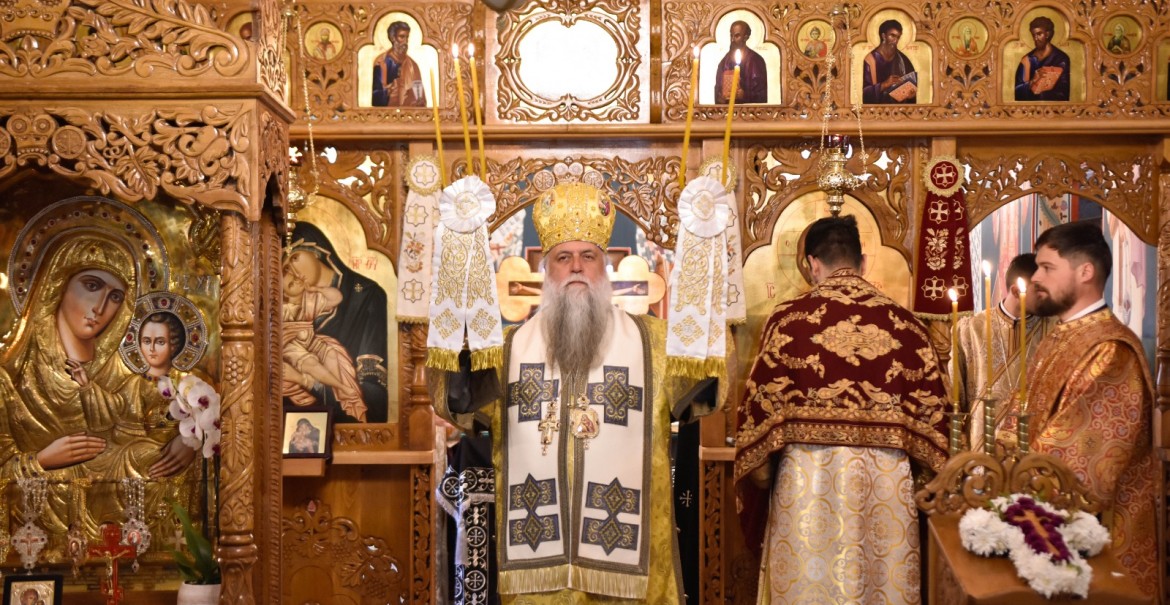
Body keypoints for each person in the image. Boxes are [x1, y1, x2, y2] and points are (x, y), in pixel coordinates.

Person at [429, 182, 718, 603]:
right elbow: (461, 404)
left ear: (605, 267)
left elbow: (706, 384)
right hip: (540, 570)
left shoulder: (654, 344)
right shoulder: (506, 350)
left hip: (630, 575)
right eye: (564, 258)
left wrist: (707, 273)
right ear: (547, 270)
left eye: (589, 256)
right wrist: (460, 334)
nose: (577, 267)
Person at [735, 215, 949, 605]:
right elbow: (936, 424)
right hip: (887, 487)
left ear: (812, 264)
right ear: (863, 261)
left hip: (807, 483)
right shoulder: (908, 326)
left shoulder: (787, 321)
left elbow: (757, 413)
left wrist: (763, 479)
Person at [0, 235, 196, 538]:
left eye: (115, 297)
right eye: (91, 286)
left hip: (135, 543)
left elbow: (169, 420)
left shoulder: (134, 372)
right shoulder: (11, 378)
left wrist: (192, 439)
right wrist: (40, 461)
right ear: (58, 284)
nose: (101, 307)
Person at [1001, 221, 1157, 596]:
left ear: (1085, 272)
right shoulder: (1061, 336)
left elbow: (1080, 460)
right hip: (1042, 524)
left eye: (1047, 267)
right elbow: (1019, 415)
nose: (1036, 278)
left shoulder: (1111, 350)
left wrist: (1006, 482)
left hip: (1095, 543)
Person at [284, 223, 389, 423]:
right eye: (285, 269)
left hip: (350, 427)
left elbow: (373, 393)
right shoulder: (289, 307)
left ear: (316, 250)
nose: (294, 271)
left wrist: (307, 382)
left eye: (294, 257)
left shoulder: (366, 296)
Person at [954, 253, 1053, 450]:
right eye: (1040, 290)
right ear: (1016, 291)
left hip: (1034, 447)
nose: (1047, 297)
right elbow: (955, 395)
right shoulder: (971, 329)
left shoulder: (1054, 329)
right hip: (981, 447)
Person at [282, 260, 367, 421]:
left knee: (331, 354)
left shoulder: (310, 300)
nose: (297, 282)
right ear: (285, 293)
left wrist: (316, 289)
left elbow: (337, 298)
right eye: (291, 285)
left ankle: (342, 394)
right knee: (310, 362)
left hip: (310, 342)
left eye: (296, 278)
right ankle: (341, 387)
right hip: (290, 345)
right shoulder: (283, 309)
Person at [1014, 16, 1070, 101]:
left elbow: (1064, 92)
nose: (1035, 38)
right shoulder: (1027, 60)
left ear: (1047, 34)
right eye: (1033, 35)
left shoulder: (1061, 58)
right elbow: (1017, 91)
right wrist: (1032, 81)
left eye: (1039, 34)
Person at [372, 21, 426, 107]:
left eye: (407, 37)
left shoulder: (412, 65)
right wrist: (389, 90)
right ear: (393, 38)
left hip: (408, 113)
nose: (405, 41)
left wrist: (417, 100)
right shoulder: (381, 62)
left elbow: (420, 96)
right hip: (386, 113)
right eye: (402, 37)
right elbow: (375, 98)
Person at [863, 19, 917, 104]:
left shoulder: (903, 60)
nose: (895, 41)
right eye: (892, 36)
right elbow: (863, 93)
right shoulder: (870, 60)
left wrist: (911, 94)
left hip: (899, 109)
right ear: (883, 36)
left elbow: (912, 86)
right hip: (877, 110)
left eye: (898, 37)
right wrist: (884, 85)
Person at [713, 20, 768, 104]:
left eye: (737, 36)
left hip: (750, 112)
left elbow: (762, 94)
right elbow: (718, 89)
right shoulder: (724, 62)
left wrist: (745, 95)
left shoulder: (756, 60)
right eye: (731, 35)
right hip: (727, 111)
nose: (732, 39)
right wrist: (720, 97)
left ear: (746, 37)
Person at [139, 311, 186, 379]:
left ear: (173, 346)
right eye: (147, 341)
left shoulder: (186, 380)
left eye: (160, 342)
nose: (151, 348)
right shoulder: (133, 383)